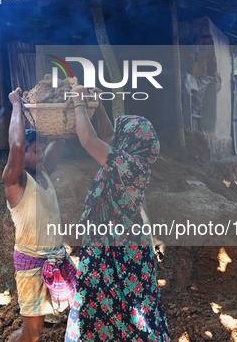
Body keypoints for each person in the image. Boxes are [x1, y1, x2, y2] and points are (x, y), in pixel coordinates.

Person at [65, 85, 170, 341]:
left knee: (131, 312)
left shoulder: (130, 166)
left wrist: (79, 103)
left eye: (124, 135)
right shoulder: (128, 159)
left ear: (131, 140)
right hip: (111, 247)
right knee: (112, 309)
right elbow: (110, 135)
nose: (117, 138)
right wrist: (99, 106)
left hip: (121, 252)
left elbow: (90, 141)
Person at [3, 87, 75, 342]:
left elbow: (62, 136)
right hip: (32, 264)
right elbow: (17, 146)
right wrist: (16, 106)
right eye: (36, 151)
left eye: (41, 150)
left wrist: (67, 104)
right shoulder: (16, 181)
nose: (42, 154)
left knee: (79, 309)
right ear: (23, 157)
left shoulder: (43, 172)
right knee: (32, 333)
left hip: (56, 259)